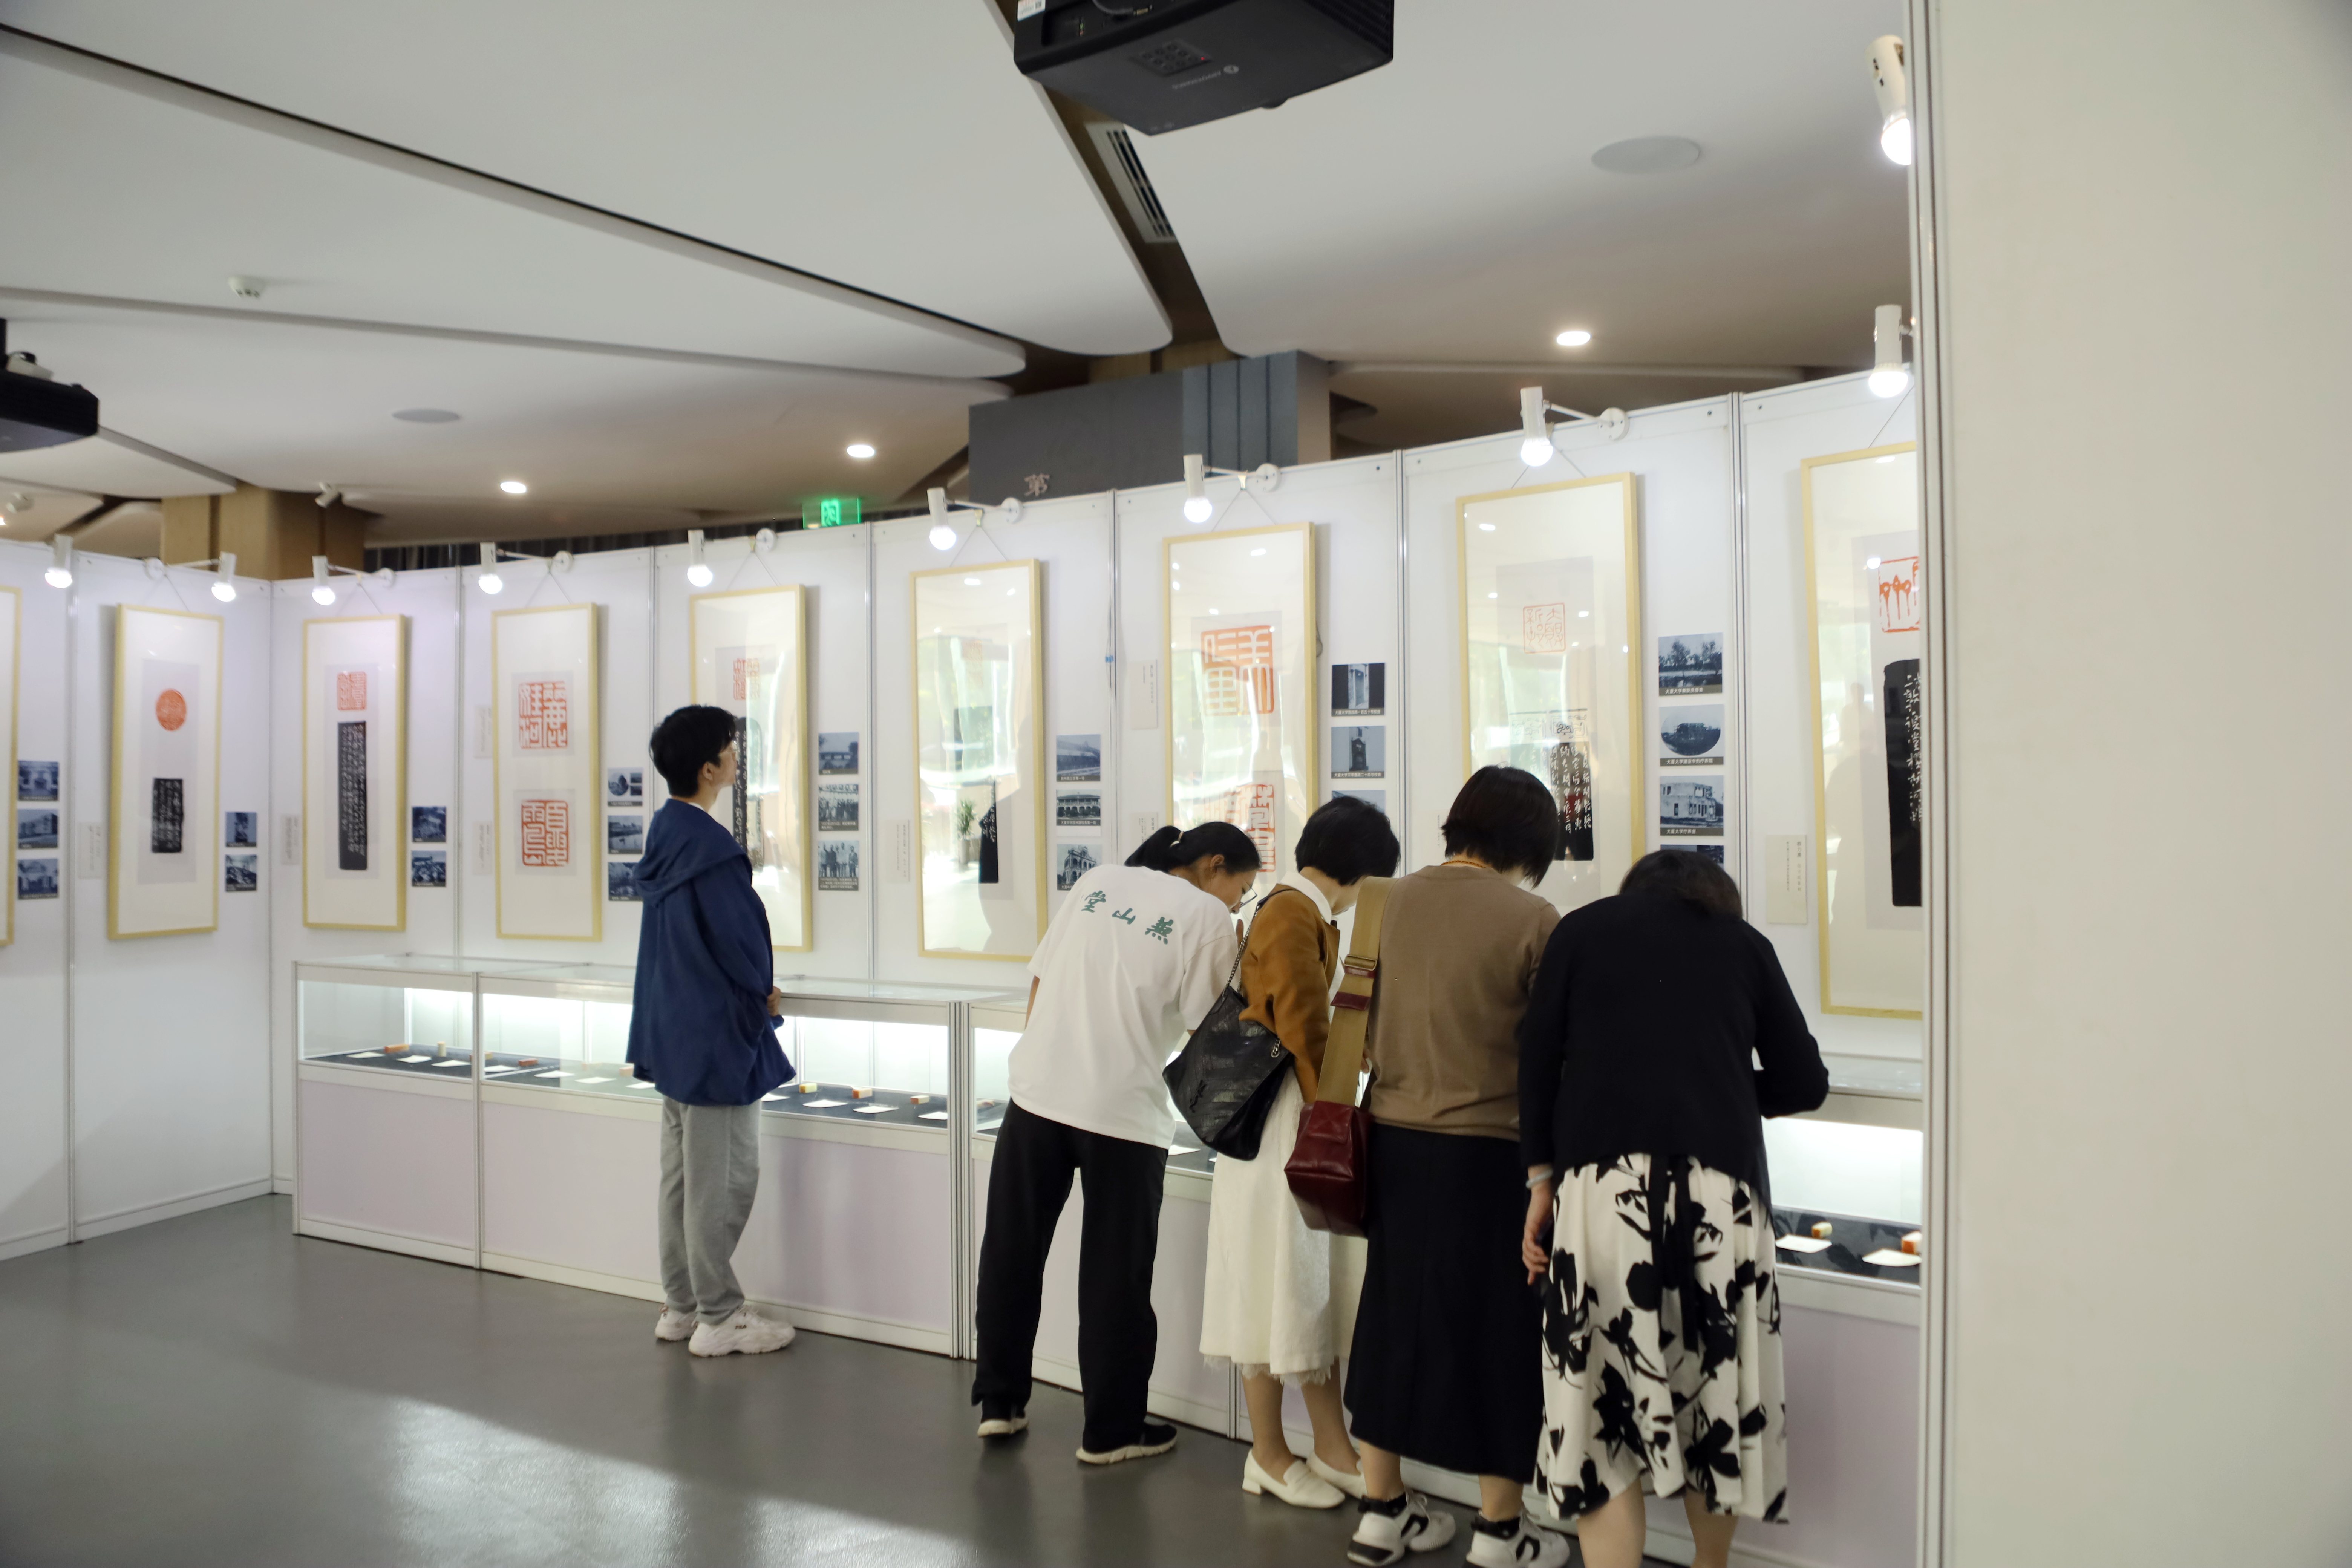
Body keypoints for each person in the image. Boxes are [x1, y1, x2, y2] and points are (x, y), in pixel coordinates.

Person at [1517, 851, 1828, 1568]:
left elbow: (1535, 1064)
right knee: (1716, 1397)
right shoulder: (1744, 944)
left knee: (1596, 1408)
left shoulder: (1581, 932)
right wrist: (1717, 1087)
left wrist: (1540, 1183)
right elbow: (1804, 1081)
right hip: (1722, 1197)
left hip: (1601, 1193)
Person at [971, 822, 1259, 1464]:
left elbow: (1041, 979)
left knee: (1012, 1250)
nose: (1237, 903)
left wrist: (1041, 1061)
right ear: (1215, 866)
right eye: (1240, 889)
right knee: (1115, 1273)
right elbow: (1208, 1028)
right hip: (1123, 1114)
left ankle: (999, 1404)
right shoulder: (1208, 919)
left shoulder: (1099, 881)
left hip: (1036, 1094)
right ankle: (1111, 1430)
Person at [1345, 767, 1573, 1568]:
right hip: (1494, 1154)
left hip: (1392, 1141)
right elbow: (1550, 1057)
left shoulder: (1384, 902)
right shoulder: (1535, 919)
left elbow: (1357, 1027)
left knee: (1389, 1318)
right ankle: (1501, 1531)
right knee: (1499, 1332)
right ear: (1531, 842)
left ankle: (1381, 1512)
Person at [1200, 797, 1402, 1510]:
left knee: (1297, 1283)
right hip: (1284, 1122)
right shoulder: (1292, 913)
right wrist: (1332, 1114)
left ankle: (1327, 1445)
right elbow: (1304, 1025)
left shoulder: (1293, 908)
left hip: (1286, 1120)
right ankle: (1268, 1452)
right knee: (1274, 1283)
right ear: (1362, 872)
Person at [625, 705, 795, 1358]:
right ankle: (720, 1318)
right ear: (708, 769)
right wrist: (763, 996)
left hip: (673, 1032)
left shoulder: (667, 834)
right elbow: (739, 944)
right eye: (729, 747)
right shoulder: (713, 851)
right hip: (716, 1038)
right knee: (722, 1182)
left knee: (681, 1181)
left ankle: (683, 1306)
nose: (735, 756)